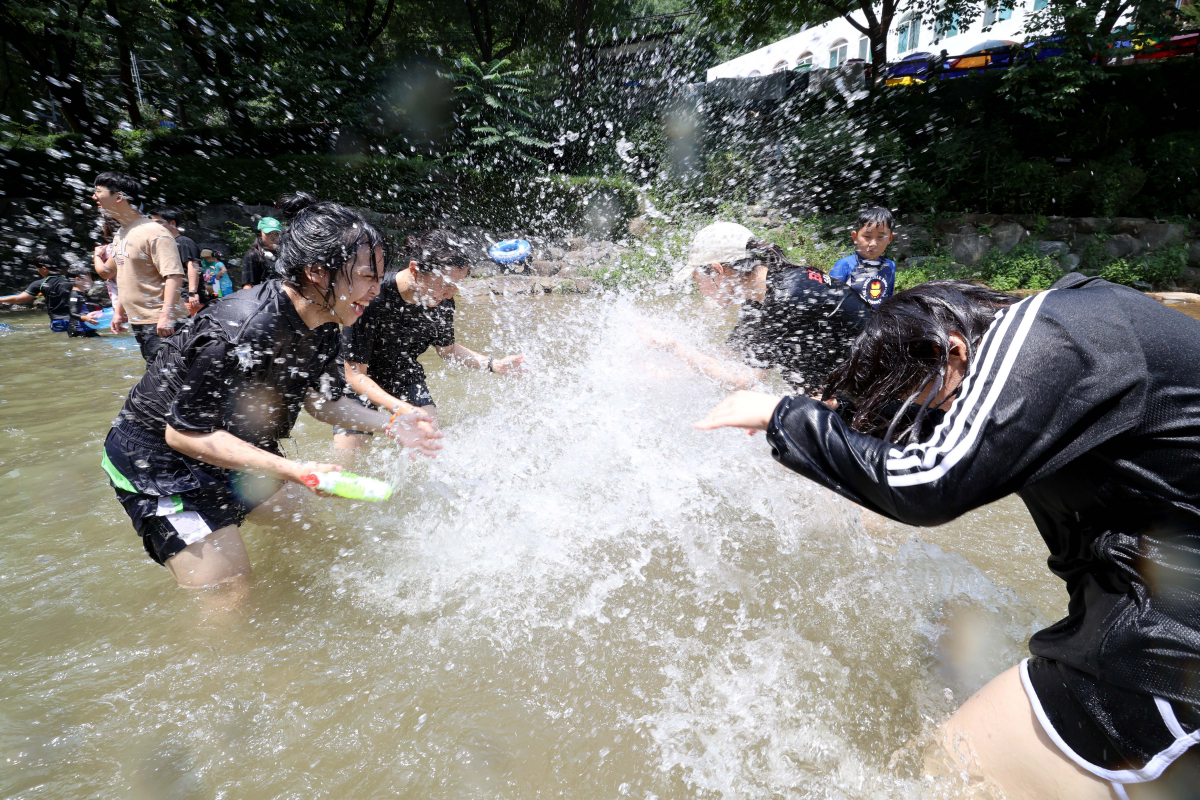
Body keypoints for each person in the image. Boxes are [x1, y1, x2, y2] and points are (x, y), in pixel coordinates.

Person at [695, 276, 1200, 800]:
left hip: (1167, 645)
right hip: (1159, 623)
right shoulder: (1075, 340)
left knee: (948, 774)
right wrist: (839, 419)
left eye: (929, 399)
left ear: (949, 349)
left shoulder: (1047, 331)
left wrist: (785, 417)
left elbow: (931, 485)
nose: (940, 418)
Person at [101, 192, 443, 591]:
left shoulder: (329, 321)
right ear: (317, 271)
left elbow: (323, 402)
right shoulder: (241, 330)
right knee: (230, 589)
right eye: (368, 275)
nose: (376, 289)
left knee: (320, 539)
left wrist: (390, 424)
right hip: (160, 462)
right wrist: (296, 471)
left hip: (237, 447)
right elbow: (183, 433)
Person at [335, 229, 526, 451]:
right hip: (357, 383)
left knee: (433, 444)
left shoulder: (441, 303)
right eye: (445, 284)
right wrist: (401, 408)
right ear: (415, 269)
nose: (450, 294)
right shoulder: (372, 297)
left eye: (457, 285)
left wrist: (494, 365)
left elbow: (448, 350)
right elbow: (354, 374)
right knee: (351, 464)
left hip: (403, 375)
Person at [641, 222, 872, 394]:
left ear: (718, 271)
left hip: (879, 392)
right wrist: (672, 373)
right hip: (852, 390)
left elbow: (743, 377)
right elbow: (731, 357)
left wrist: (673, 347)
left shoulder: (786, 298)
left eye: (695, 278)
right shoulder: (761, 296)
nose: (698, 288)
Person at [92, 172, 187, 363]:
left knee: (167, 381)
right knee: (161, 380)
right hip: (140, 321)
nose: (94, 197)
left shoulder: (154, 231)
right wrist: (119, 313)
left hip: (162, 322)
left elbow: (174, 276)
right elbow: (120, 274)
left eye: (98, 192)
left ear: (119, 197)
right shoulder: (122, 233)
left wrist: (167, 316)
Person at [829, 207, 897, 308]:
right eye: (867, 236)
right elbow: (830, 299)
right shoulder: (845, 265)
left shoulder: (890, 266)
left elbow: (889, 300)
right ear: (855, 237)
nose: (873, 244)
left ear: (890, 238)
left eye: (881, 237)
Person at [149, 207, 204, 315]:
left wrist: (192, 293)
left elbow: (193, 266)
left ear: (172, 223)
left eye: (158, 223)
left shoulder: (184, 242)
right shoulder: (164, 245)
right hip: (172, 300)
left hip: (187, 300)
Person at [0, 255, 74, 331]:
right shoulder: (71, 280)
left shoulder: (40, 283)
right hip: (78, 319)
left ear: (44, 268)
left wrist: (1, 299)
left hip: (59, 321)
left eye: (38, 269)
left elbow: (20, 299)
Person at [241, 216, 282, 290]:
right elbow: (247, 286)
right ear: (260, 234)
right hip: (263, 299)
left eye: (276, 233)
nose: (273, 236)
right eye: (269, 233)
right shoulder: (252, 255)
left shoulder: (284, 255)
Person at [66, 265, 102, 337]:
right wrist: (86, 318)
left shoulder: (84, 295)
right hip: (78, 331)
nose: (91, 281)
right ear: (78, 279)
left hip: (88, 330)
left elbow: (96, 308)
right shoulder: (74, 296)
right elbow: (72, 313)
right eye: (88, 278)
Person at [93, 216, 120, 304]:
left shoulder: (110, 249)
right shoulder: (130, 242)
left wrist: (97, 255)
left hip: (121, 301)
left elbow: (104, 273)